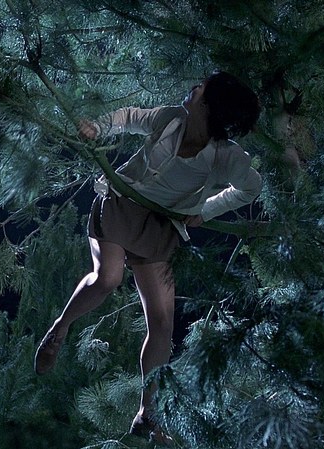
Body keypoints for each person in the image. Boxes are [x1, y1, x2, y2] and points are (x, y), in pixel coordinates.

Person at [34, 71, 262, 444]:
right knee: (108, 278)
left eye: (201, 88)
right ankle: (60, 328)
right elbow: (129, 117)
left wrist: (205, 211)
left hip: (160, 225)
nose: (193, 88)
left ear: (209, 106)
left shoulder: (226, 157)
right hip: (122, 202)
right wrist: (98, 127)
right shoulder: (171, 118)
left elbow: (250, 188)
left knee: (162, 322)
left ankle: (147, 413)